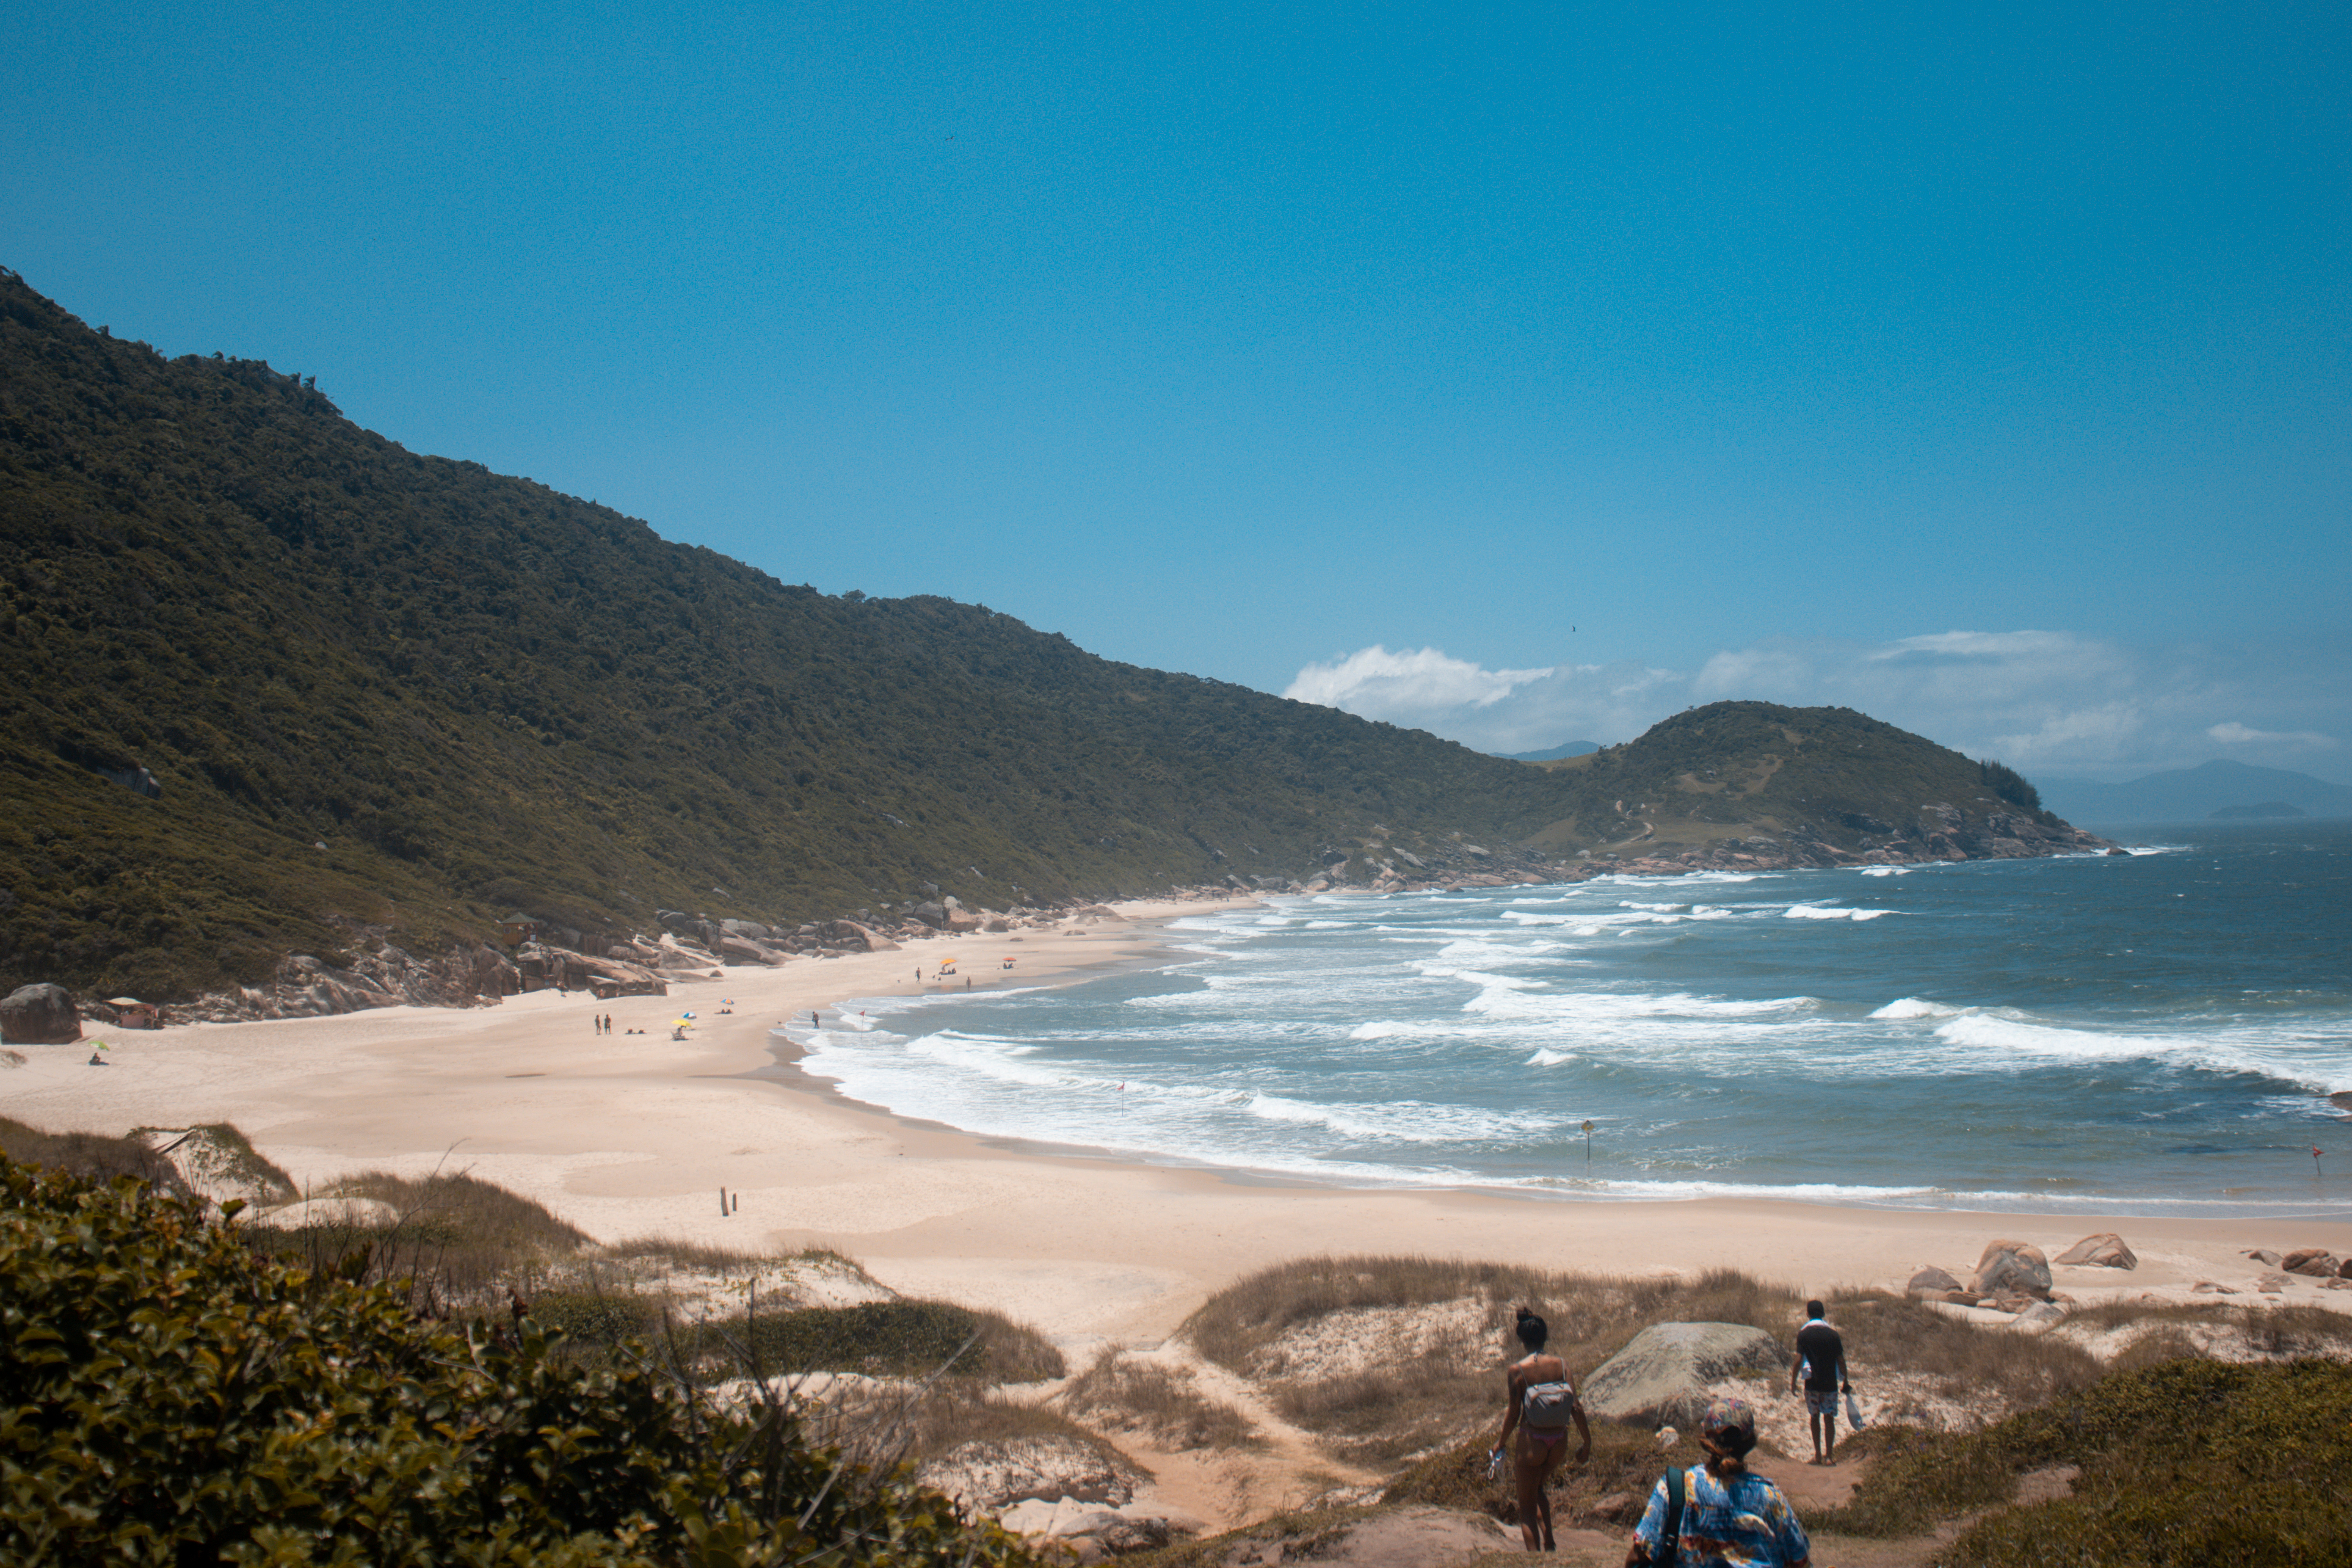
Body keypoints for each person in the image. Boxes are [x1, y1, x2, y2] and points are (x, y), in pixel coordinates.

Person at [1627, 1397, 1810, 1567]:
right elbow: (1800, 1560)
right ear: (1750, 1442)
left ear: (1706, 1438)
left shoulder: (1675, 1488)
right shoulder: (1770, 1497)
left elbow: (1638, 1556)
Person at [1490, 1306, 1591, 1551]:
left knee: (1526, 1508)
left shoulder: (1518, 1371)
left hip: (1532, 1442)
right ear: (1545, 1337)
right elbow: (1576, 1408)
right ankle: (1551, 1543)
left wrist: (1500, 1443)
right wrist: (1587, 1443)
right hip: (1559, 1442)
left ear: (1522, 1340)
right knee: (1538, 1489)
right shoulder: (1562, 1365)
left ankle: (1536, 1561)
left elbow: (1514, 1415)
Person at [1791, 1301, 1849, 1465]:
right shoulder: (1833, 1335)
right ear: (1823, 1314)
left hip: (1812, 1384)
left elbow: (1798, 1360)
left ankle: (1817, 1455)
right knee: (1829, 1418)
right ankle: (1829, 1457)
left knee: (1814, 1417)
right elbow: (1841, 1360)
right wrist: (1846, 1380)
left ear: (1808, 1314)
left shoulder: (1804, 1334)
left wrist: (1793, 1382)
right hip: (1830, 1383)